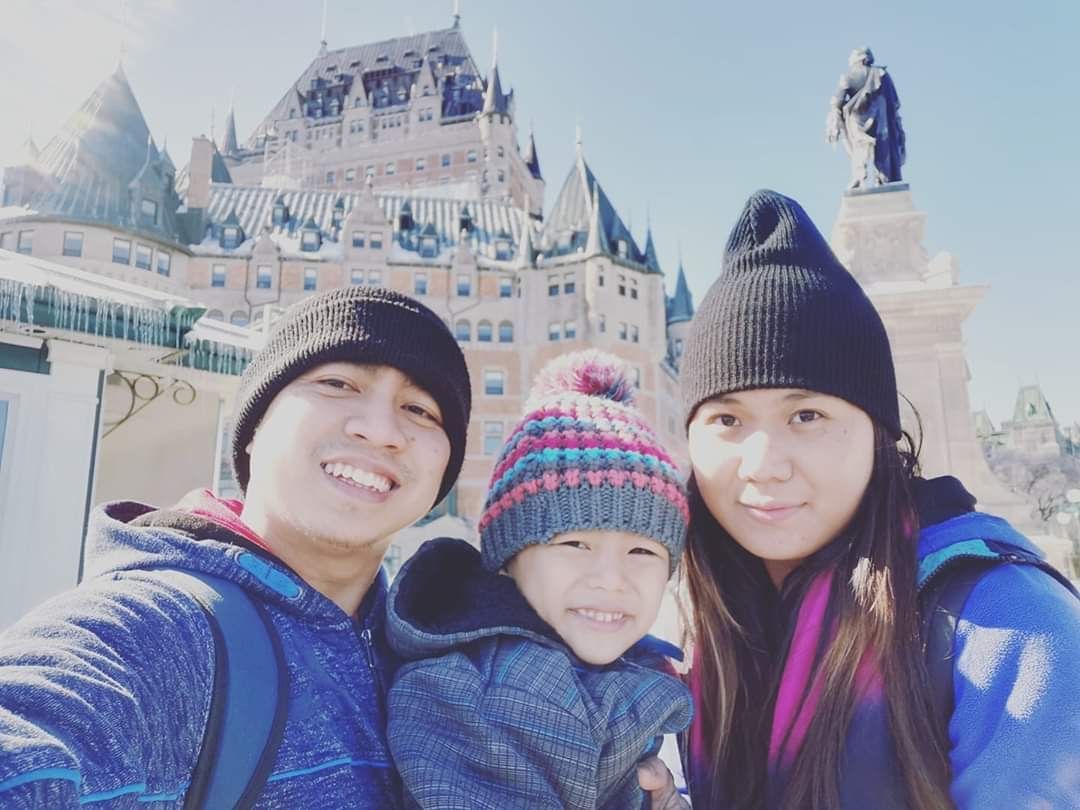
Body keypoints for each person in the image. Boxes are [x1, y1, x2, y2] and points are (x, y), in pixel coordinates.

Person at [677, 190, 1080, 809]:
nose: (762, 465)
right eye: (727, 420)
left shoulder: (1008, 623)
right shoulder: (696, 625)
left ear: (878, 435)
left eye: (806, 414)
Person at [0, 287, 472, 807]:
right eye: (337, 383)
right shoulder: (158, 628)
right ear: (254, 428)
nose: (381, 430)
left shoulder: (446, 659)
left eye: (420, 410)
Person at [384, 350, 694, 809]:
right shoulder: (492, 695)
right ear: (508, 559)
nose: (611, 579)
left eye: (642, 551)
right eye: (574, 544)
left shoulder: (599, 662)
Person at [825, 47, 906, 190]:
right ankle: (883, 179)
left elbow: (837, 101)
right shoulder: (882, 75)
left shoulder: (848, 77)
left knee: (859, 147)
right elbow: (894, 102)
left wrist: (834, 120)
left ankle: (858, 177)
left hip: (856, 117)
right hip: (881, 117)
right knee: (883, 146)